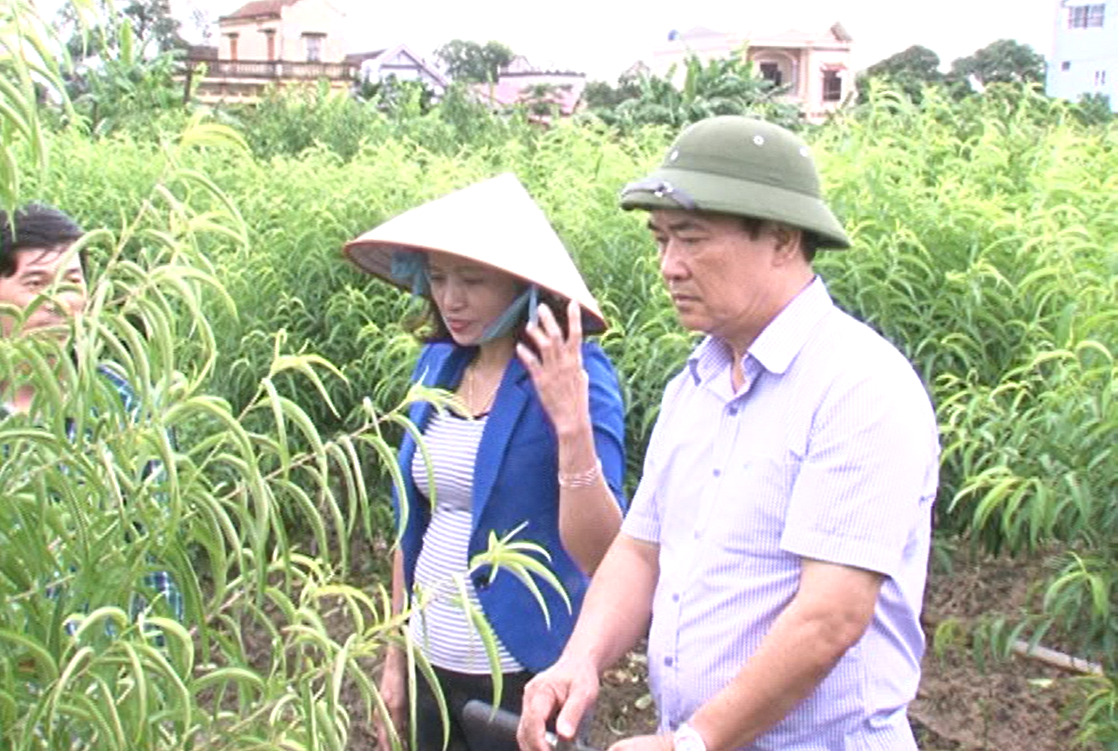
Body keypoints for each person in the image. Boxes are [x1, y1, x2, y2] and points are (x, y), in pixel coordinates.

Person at [517, 116, 940, 751]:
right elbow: (640, 552)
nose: (669, 266)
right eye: (660, 240)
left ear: (781, 239)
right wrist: (579, 659)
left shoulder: (860, 387)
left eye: (690, 239)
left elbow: (831, 617)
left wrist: (692, 742)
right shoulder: (695, 386)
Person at [343, 174, 628, 751]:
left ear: (523, 287)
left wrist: (572, 427)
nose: (451, 300)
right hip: (429, 658)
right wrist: (395, 661)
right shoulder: (436, 367)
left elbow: (606, 552)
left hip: (522, 671)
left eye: (472, 281)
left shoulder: (580, 375)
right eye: (440, 278)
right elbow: (412, 527)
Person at [0, 202, 183, 623]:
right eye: (35, 282)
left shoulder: (126, 404)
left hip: (89, 666)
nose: (55, 302)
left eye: (71, 282)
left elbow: (151, 559)